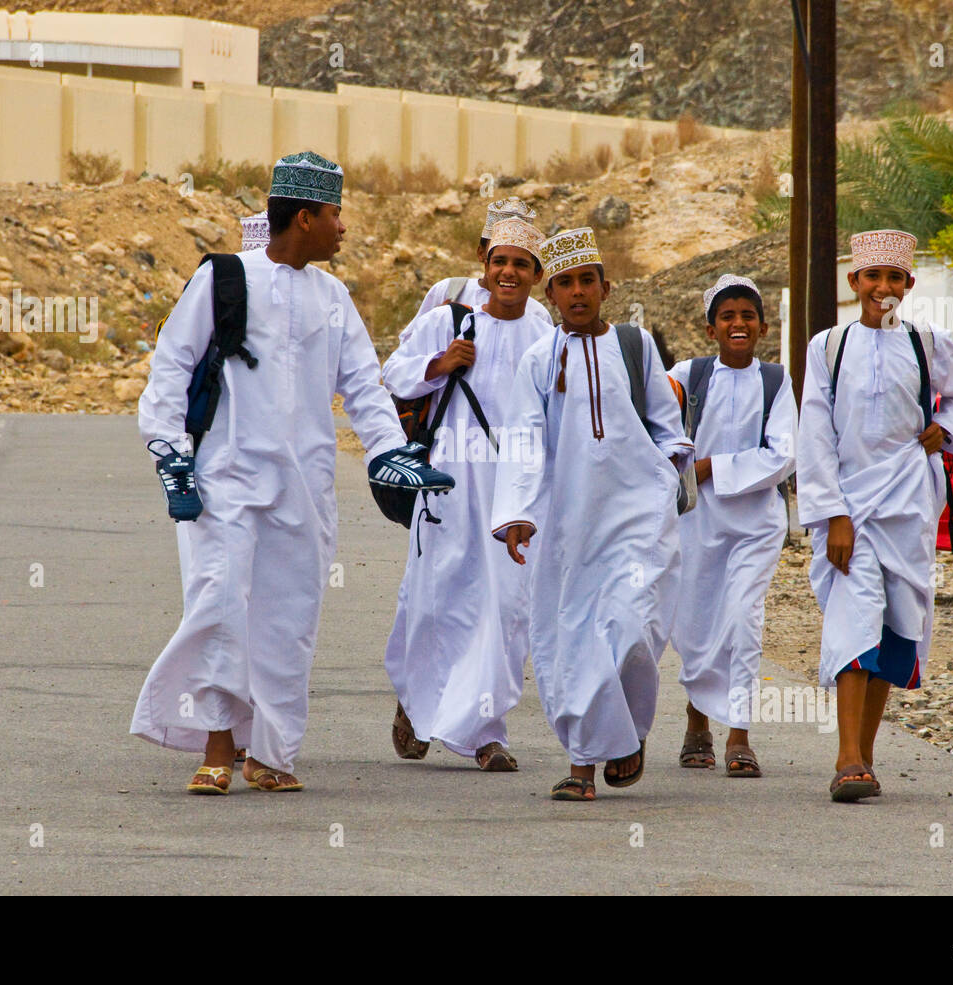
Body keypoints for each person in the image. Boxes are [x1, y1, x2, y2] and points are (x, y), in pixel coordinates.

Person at [132, 151, 447, 795]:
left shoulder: (334, 297)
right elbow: (169, 367)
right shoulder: (224, 279)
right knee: (220, 605)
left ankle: (271, 752)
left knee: (287, 619)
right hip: (224, 479)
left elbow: (363, 385)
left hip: (305, 487)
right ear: (304, 218)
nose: (343, 227)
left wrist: (391, 451)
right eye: (336, 213)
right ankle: (217, 746)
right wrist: (172, 457)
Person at [491, 227, 693, 802]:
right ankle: (582, 762)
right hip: (567, 524)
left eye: (586, 281)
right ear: (549, 294)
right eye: (564, 284)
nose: (576, 292)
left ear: (606, 287)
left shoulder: (636, 346)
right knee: (575, 639)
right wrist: (519, 511)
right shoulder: (538, 358)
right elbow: (525, 439)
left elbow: (666, 423)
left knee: (632, 629)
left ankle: (627, 732)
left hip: (636, 517)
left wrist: (670, 468)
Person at [796, 229, 953, 802]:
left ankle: (866, 756)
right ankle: (846, 757)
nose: (883, 287)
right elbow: (816, 434)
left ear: (908, 284)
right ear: (853, 282)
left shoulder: (928, 342)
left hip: (908, 505)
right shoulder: (829, 346)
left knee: (896, 625)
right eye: (872, 277)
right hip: (851, 507)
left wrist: (944, 428)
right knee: (855, 619)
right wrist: (834, 516)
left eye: (894, 278)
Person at [382, 217, 554, 771]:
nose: (509, 272)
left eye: (521, 265)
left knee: (507, 606)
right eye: (500, 261)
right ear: (485, 266)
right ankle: (417, 700)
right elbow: (392, 375)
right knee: (437, 597)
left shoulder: (544, 328)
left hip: (516, 487)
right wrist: (440, 364)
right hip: (451, 480)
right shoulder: (448, 320)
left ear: (535, 275)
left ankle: (485, 732)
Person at [668, 275, 796, 778]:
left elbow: (783, 454)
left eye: (747, 316)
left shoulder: (775, 380)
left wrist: (710, 468)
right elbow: (652, 420)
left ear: (763, 327)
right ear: (710, 329)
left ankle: (739, 734)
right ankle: (696, 720)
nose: (738, 323)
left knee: (742, 620)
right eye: (728, 317)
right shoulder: (688, 374)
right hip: (696, 522)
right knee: (695, 625)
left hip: (755, 524)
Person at [413, 197, 553, 324]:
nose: (508, 271)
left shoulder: (537, 314)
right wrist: (436, 324)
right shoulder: (448, 291)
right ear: (482, 254)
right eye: (499, 257)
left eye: (520, 262)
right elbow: (410, 345)